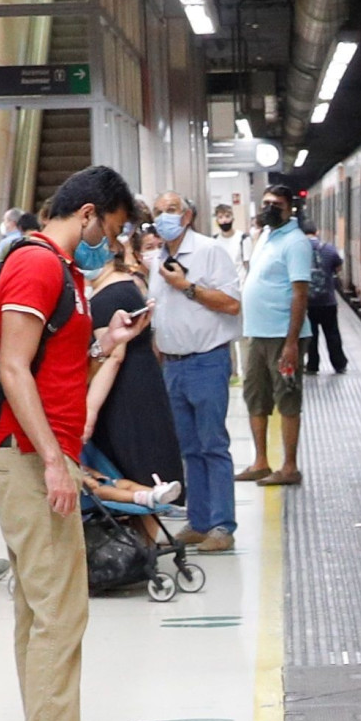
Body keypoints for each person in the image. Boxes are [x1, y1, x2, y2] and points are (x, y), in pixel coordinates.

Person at [0, 166, 148, 721]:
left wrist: (107, 345)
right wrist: (55, 460)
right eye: (107, 232)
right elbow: (11, 365)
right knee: (56, 613)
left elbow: (53, 366)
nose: (107, 247)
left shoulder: (68, 275)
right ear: (87, 213)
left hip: (46, 456)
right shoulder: (37, 267)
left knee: (50, 612)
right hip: (29, 459)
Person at [146, 190, 245, 549]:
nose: (163, 217)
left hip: (206, 361)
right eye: (158, 212)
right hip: (173, 366)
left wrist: (186, 287)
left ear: (187, 216)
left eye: (171, 210)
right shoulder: (157, 258)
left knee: (213, 446)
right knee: (188, 449)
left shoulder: (208, 252)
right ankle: (199, 521)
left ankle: (222, 526)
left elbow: (232, 304)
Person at [84, 218, 183, 496]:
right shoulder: (126, 285)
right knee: (145, 468)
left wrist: (89, 411)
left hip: (123, 394)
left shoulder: (108, 296)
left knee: (132, 469)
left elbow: (114, 357)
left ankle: (146, 537)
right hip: (142, 383)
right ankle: (148, 537)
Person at [239, 185, 314, 487]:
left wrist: (292, 342)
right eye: (266, 202)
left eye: (277, 204)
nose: (270, 208)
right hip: (257, 334)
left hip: (282, 336)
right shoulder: (266, 236)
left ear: (290, 208)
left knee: (287, 398)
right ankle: (260, 462)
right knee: (255, 396)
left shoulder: (296, 243)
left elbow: (300, 294)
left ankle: (290, 467)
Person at [309, 217, 351, 374]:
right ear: (316, 232)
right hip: (328, 301)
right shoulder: (329, 249)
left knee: (311, 336)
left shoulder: (299, 250)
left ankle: (312, 366)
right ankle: (339, 364)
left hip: (307, 303)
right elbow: (338, 268)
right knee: (332, 333)